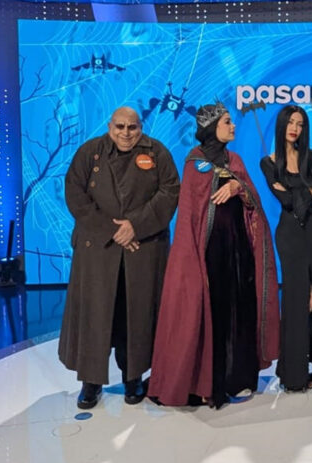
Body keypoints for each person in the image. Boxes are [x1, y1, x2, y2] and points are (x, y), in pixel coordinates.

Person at [148, 101, 280, 409]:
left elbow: (253, 201)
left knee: (240, 310)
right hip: (208, 253)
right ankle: (208, 382)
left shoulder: (235, 160)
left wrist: (237, 187)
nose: (233, 127)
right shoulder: (195, 162)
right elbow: (190, 214)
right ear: (211, 128)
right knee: (214, 314)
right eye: (227, 122)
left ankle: (239, 378)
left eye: (232, 122)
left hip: (239, 251)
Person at [59, 106, 180, 409]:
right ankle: (90, 382)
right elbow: (75, 193)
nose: (126, 133)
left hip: (142, 249)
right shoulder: (90, 152)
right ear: (110, 126)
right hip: (98, 250)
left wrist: (135, 226)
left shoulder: (157, 153)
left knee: (134, 315)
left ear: (141, 127)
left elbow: (170, 192)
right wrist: (113, 230)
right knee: (96, 315)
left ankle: (133, 377)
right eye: (120, 127)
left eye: (132, 127)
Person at [260, 105, 312, 392]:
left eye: (300, 124)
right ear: (282, 125)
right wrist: (307, 192)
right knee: (296, 298)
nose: (295, 128)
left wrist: (298, 192)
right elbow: (286, 202)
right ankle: (294, 374)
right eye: (291, 122)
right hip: (289, 234)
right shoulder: (269, 162)